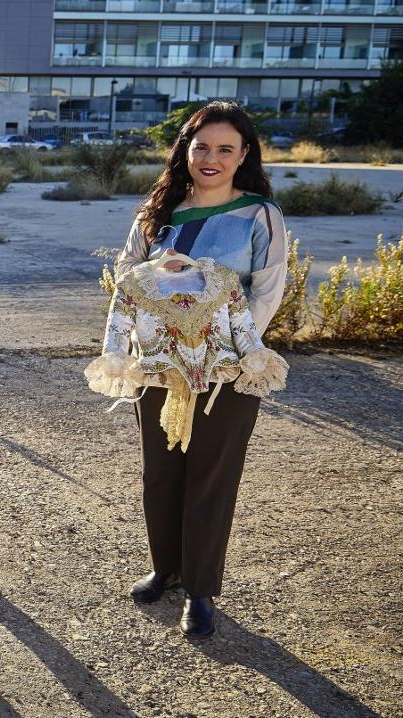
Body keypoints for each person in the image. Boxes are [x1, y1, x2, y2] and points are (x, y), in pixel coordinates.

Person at [114, 100, 287, 638]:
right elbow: (127, 274)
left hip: (226, 377)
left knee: (211, 479)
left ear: (243, 157)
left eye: (225, 150)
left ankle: (201, 589)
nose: (211, 158)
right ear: (186, 151)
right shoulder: (156, 211)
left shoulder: (260, 216)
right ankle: (165, 567)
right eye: (202, 147)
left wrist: (219, 351)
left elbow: (267, 291)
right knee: (161, 474)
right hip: (160, 370)